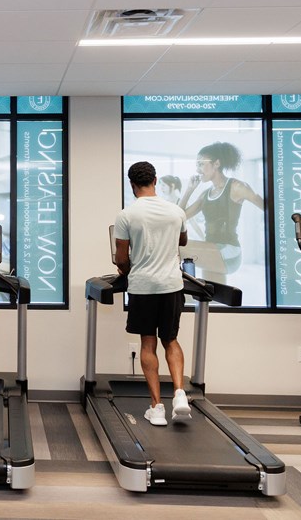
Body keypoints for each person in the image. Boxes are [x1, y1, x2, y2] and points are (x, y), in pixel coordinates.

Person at [113, 161, 190, 427]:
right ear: (155, 180)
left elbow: (121, 258)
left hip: (143, 286)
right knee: (171, 339)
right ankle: (180, 393)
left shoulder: (127, 215)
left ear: (132, 184)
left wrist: (126, 269)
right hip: (171, 285)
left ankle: (157, 407)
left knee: (148, 342)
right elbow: (182, 241)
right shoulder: (175, 210)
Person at [177, 142, 264, 278]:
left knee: (176, 247)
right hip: (211, 250)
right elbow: (178, 218)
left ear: (216, 164)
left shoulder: (236, 187)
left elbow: (268, 208)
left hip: (228, 252)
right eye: (197, 166)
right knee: (209, 295)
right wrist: (189, 190)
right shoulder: (205, 194)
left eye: (201, 164)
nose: (198, 170)